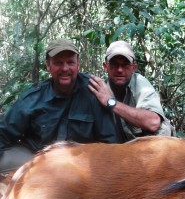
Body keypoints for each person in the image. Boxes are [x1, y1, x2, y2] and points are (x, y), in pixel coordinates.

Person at [0, 39, 119, 173]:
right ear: (48, 65)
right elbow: (3, 134)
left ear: (78, 64)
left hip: (80, 166)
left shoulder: (94, 92)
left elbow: (110, 143)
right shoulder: (33, 98)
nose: (65, 68)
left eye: (70, 62)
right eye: (58, 63)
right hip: (37, 160)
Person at [89, 40, 175, 142]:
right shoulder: (99, 89)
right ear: (105, 66)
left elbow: (153, 122)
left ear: (133, 67)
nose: (120, 70)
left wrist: (110, 102)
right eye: (114, 64)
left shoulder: (140, 84)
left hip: (142, 151)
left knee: (163, 129)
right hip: (114, 150)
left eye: (125, 65)